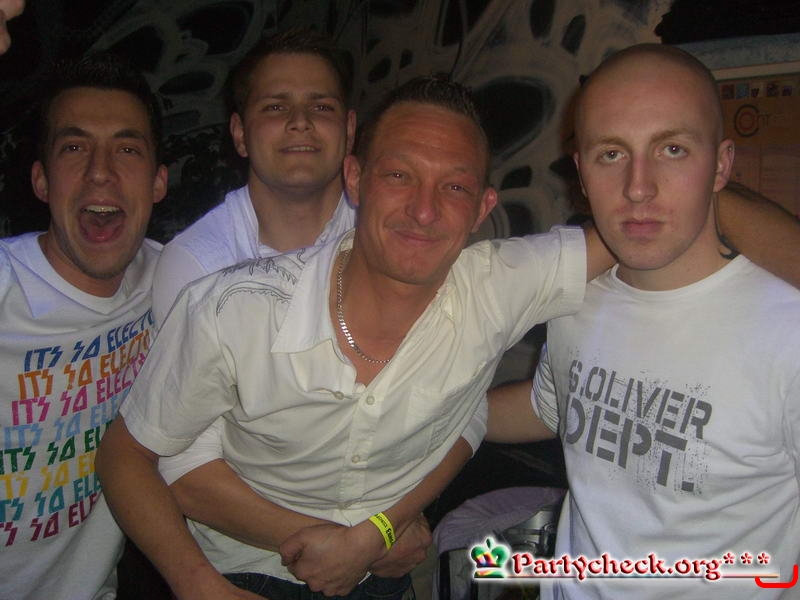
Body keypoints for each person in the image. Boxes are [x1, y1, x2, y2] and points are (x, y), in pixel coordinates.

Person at [96, 75, 613, 600]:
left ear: (482, 208)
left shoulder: (497, 288)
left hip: (383, 574)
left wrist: (378, 534)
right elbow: (127, 454)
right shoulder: (234, 309)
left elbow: (628, 230)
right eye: (399, 175)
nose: (424, 210)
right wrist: (197, 585)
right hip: (242, 571)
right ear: (356, 179)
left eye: (454, 187)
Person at [487, 44, 800, 599]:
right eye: (611, 154)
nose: (638, 187)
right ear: (581, 173)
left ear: (721, 165)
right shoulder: (575, 298)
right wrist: (414, 412)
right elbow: (556, 407)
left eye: (672, 149)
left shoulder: (786, 332)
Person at [0, 53, 167, 600]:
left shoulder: (176, 280)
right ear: (41, 180)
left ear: (158, 182)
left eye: (127, 149)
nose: (100, 171)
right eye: (74, 148)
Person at [151, 27, 356, 326]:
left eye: (321, 107)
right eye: (275, 107)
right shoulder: (195, 268)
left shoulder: (390, 236)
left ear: (349, 130)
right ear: (240, 134)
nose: (300, 121)